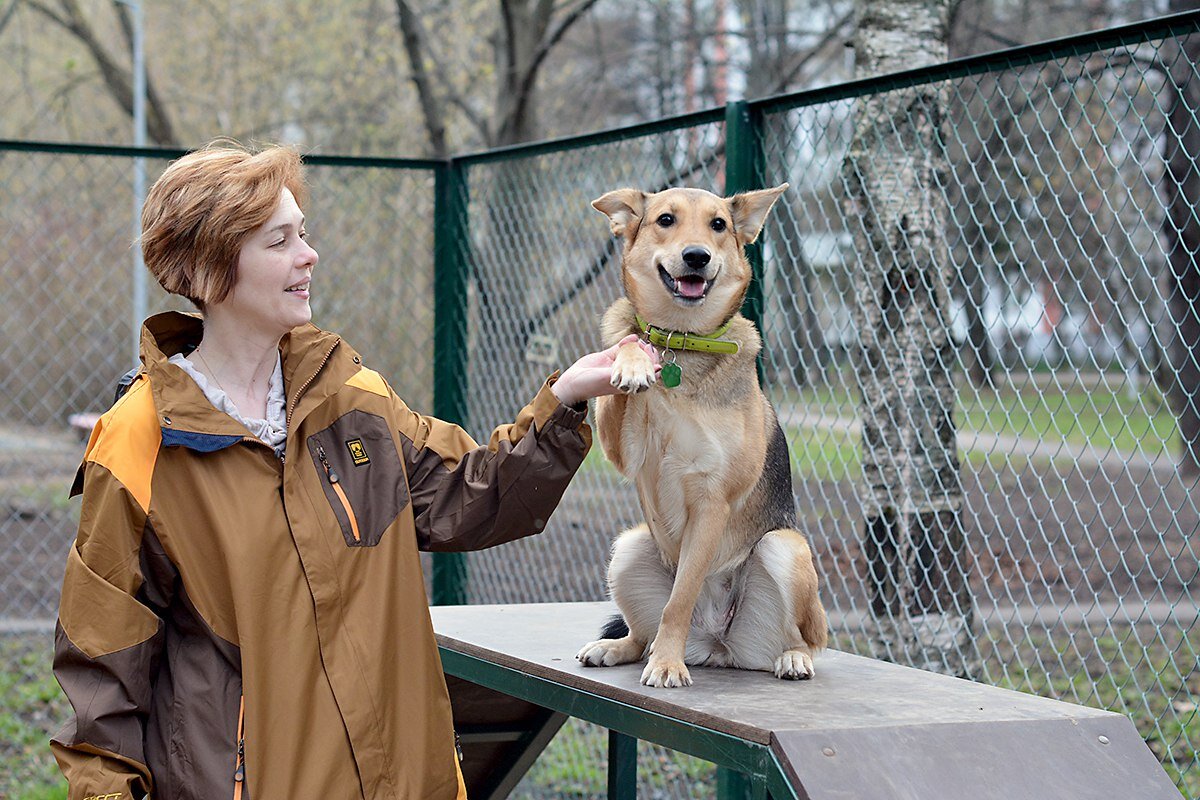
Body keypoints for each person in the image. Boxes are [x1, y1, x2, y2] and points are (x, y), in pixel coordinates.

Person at [51, 142, 656, 800]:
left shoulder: (351, 396)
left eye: (303, 234)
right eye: (278, 241)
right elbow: (103, 682)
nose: (308, 256)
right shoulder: (138, 444)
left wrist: (563, 400)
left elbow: (474, 492)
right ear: (204, 267)